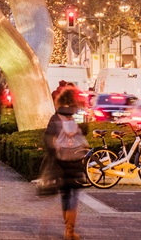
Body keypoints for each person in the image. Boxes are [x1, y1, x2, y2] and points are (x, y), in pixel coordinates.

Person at [43, 88, 89, 240]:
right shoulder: (78, 117)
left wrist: (52, 155)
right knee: (74, 195)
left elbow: (48, 139)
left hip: (61, 160)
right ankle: (70, 231)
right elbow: (86, 132)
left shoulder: (55, 118)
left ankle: (67, 229)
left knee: (65, 194)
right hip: (76, 160)